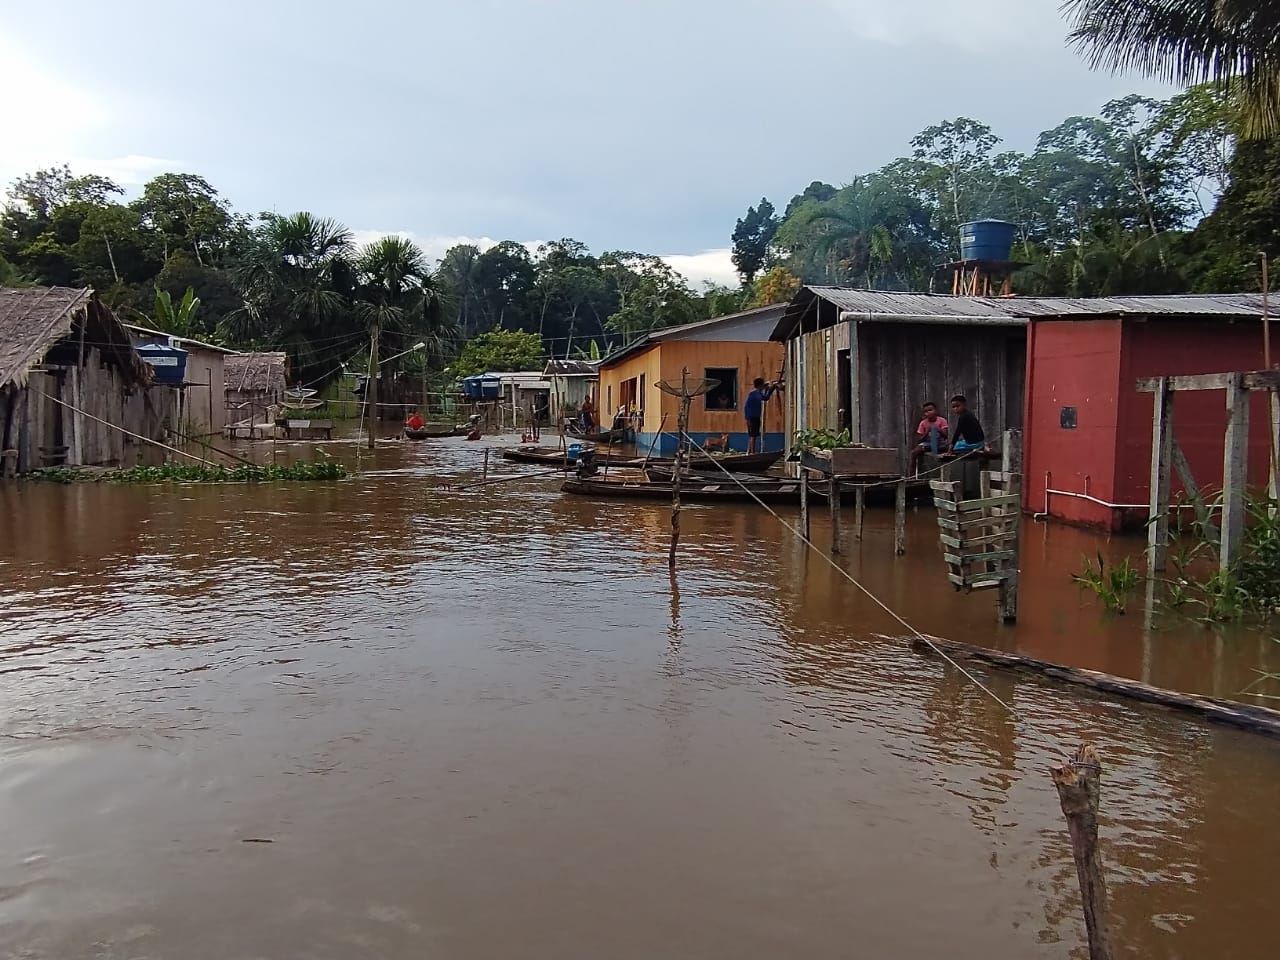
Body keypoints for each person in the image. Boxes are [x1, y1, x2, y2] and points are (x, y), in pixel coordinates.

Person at [908, 401, 948, 476]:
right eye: (926, 411)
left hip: (940, 443)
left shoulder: (942, 420)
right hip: (927, 444)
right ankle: (912, 475)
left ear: (936, 411)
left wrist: (938, 429)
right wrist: (926, 432)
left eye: (930, 410)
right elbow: (920, 439)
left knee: (935, 434)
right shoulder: (923, 423)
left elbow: (945, 436)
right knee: (914, 452)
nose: (928, 413)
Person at [743, 377, 779, 454]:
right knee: (753, 435)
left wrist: (770, 388)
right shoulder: (754, 394)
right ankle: (752, 452)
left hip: (754, 416)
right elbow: (764, 398)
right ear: (760, 386)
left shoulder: (756, 393)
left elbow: (765, 397)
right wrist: (770, 388)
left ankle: (749, 451)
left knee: (753, 434)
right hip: (752, 417)